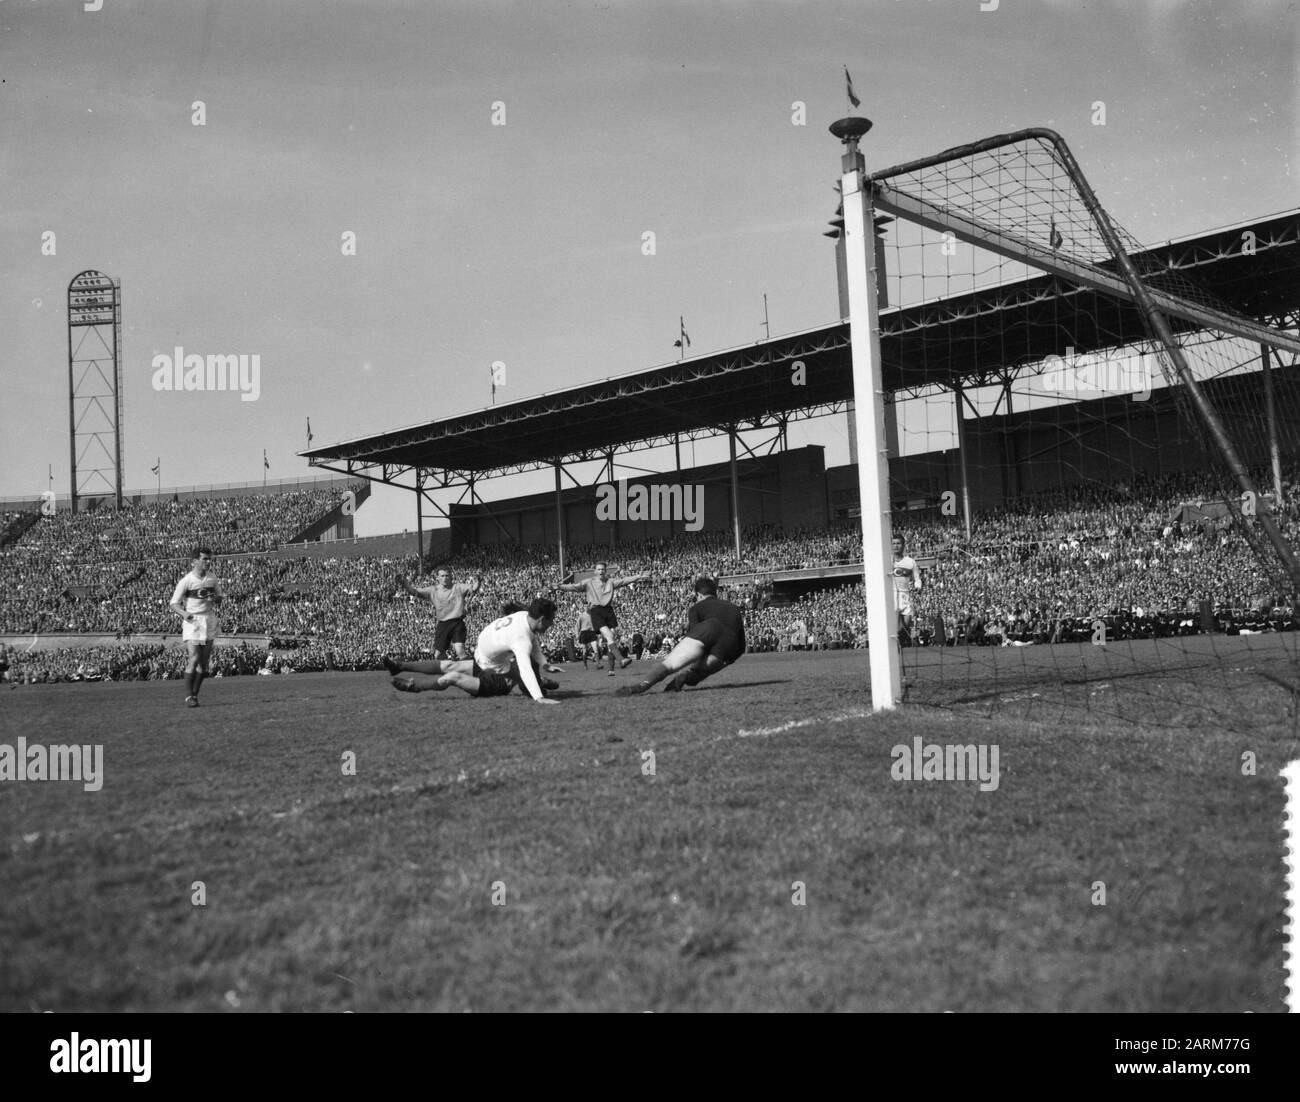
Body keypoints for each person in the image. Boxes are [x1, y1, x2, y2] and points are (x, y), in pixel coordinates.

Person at [389, 597, 560, 703]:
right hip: (485, 662)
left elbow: (526, 667)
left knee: (452, 677)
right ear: (542, 619)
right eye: (551, 620)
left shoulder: (523, 618)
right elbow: (530, 648)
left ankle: (414, 686)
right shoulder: (523, 632)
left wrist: (539, 697)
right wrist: (544, 665)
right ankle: (400, 666)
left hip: (496, 679)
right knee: (449, 665)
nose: (552, 625)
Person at [616, 577, 745, 695]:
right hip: (730, 642)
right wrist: (724, 661)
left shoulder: (696, 608)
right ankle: (685, 677)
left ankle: (642, 686)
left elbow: (695, 634)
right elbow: (741, 645)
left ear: (698, 595)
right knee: (702, 668)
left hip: (708, 628)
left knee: (670, 664)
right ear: (715, 593)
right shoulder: (734, 608)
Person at [557, 562, 651, 675]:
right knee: (609, 636)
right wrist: (560, 587)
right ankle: (621, 659)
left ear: (605, 571)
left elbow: (624, 581)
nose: (601, 571)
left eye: (603, 569)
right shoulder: (589, 582)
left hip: (609, 611)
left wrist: (638, 577)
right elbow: (574, 587)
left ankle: (611, 669)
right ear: (595, 571)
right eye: (599, 569)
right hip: (596, 611)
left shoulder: (610, 582)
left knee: (612, 639)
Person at [169, 546, 222, 708]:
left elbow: (219, 597)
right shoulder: (186, 580)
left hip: (208, 619)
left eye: (209, 559)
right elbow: (174, 603)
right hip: (193, 622)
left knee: (204, 664)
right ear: (194, 562)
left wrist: (215, 598)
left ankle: (194, 695)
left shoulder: (212, 578)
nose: (208, 562)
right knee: (194, 658)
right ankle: (188, 696)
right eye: (204, 559)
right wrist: (185, 614)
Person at [396, 567, 483, 660]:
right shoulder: (433, 590)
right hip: (443, 624)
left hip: (457, 623)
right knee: (438, 655)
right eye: (442, 576)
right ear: (437, 578)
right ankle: (450, 667)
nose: (445, 578)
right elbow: (413, 592)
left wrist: (478, 580)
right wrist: (405, 583)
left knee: (460, 652)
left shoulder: (458, 587)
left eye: (447, 575)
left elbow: (474, 588)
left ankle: (473, 670)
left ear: (451, 577)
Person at [891, 534, 922, 644]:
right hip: (892, 595)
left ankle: (902, 641)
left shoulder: (910, 562)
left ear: (903, 545)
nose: (896, 546)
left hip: (905, 595)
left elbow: (917, 578)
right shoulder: (888, 561)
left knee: (907, 623)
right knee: (898, 627)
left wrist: (918, 586)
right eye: (894, 543)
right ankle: (895, 647)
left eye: (898, 543)